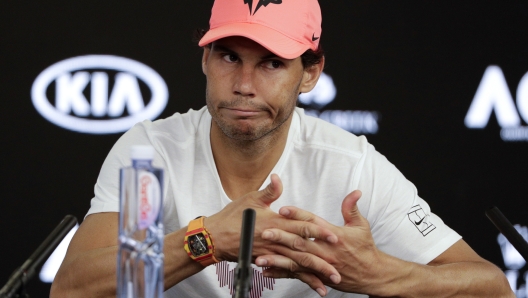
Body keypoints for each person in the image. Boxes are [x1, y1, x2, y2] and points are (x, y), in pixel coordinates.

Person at [50, 0, 513, 297]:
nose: (245, 85)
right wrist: (205, 241)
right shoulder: (152, 155)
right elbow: (73, 291)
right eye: (230, 56)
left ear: (309, 73)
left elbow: (492, 290)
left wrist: (378, 274)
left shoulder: (350, 168)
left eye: (272, 63)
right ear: (205, 59)